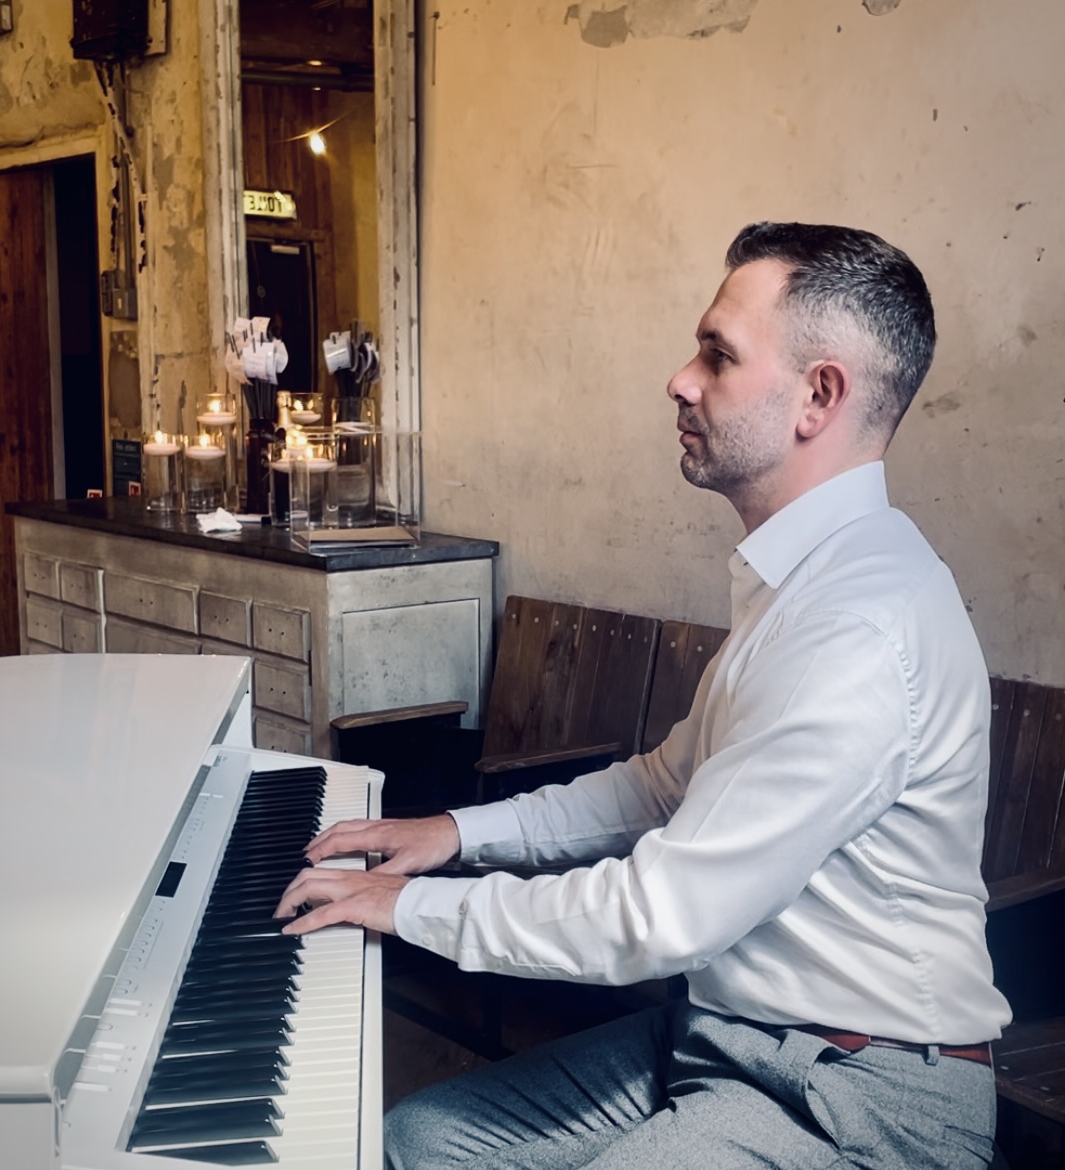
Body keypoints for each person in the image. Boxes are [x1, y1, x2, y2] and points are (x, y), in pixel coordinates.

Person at [275, 222, 1011, 1169]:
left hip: (864, 1093)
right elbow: (661, 789)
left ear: (818, 396)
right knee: (423, 1140)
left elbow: (661, 914)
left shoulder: (860, 625)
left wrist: (405, 907)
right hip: (729, 1032)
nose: (680, 378)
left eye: (717, 355)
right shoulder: (805, 580)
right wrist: (456, 835)